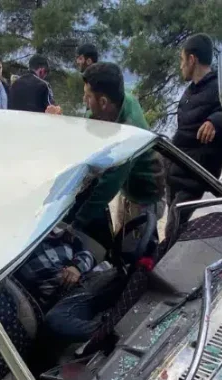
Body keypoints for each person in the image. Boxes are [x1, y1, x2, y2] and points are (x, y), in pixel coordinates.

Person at [72, 62, 164, 255]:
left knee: (135, 253)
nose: (84, 100)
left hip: (144, 196)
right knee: (121, 238)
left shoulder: (128, 135)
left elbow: (108, 186)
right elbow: (91, 119)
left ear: (104, 102)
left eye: (88, 96)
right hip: (129, 189)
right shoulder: (120, 100)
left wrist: (76, 225)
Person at [168, 33, 222, 221]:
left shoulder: (219, 89)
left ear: (192, 59)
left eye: (182, 60)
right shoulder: (191, 91)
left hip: (194, 175)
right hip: (176, 170)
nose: (181, 65)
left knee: (173, 227)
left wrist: (214, 121)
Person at [15, 224, 96, 309]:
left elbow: (88, 256)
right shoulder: (22, 246)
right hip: (53, 301)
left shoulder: (69, 241)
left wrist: (76, 267)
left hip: (86, 286)